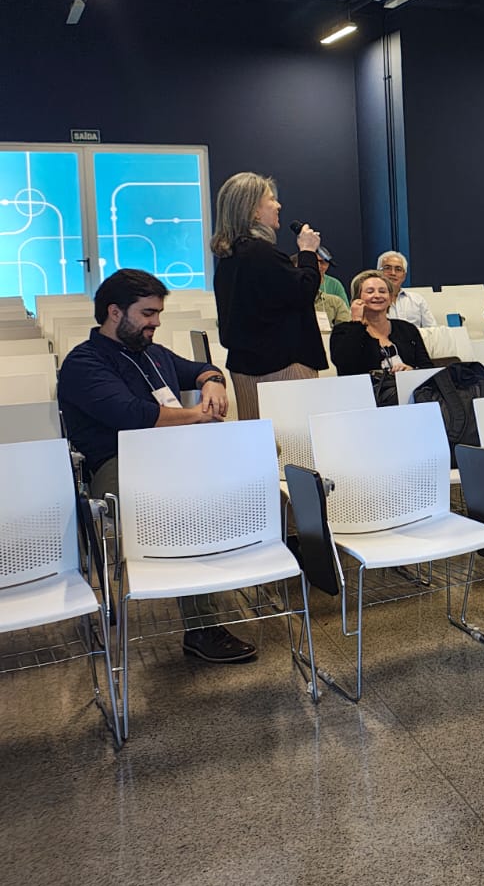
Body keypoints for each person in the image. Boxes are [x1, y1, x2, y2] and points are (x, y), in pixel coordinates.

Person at [58, 269, 255, 664]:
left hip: (174, 454)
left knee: (261, 454)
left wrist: (213, 380)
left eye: (158, 313)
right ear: (115, 312)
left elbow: (198, 368)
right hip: (119, 464)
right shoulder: (84, 362)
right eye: (148, 313)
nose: (156, 322)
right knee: (186, 502)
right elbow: (132, 415)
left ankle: (258, 556)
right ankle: (202, 627)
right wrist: (198, 415)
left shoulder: (152, 353)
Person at [211, 172, 327, 420]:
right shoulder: (262, 254)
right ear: (253, 210)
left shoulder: (230, 258)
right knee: (295, 439)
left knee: (258, 438)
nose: (278, 205)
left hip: (245, 367)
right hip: (283, 366)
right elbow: (304, 291)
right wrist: (307, 251)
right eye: (271, 199)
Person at [331, 270, 433, 378]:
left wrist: (412, 371)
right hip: (365, 388)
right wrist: (356, 321)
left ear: (390, 298)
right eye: (370, 291)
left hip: (408, 386)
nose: (377, 295)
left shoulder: (407, 329)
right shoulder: (342, 331)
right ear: (357, 299)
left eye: (382, 291)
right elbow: (345, 367)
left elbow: (427, 368)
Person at [377, 251, 437, 328]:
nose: (393, 273)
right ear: (378, 273)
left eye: (398, 269)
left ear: (404, 276)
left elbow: (432, 329)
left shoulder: (417, 300)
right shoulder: (373, 300)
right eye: (387, 268)